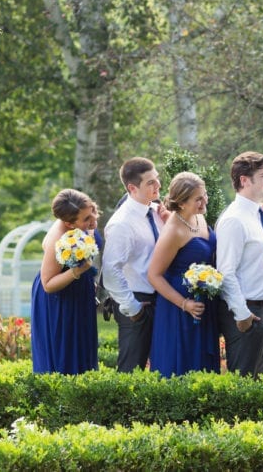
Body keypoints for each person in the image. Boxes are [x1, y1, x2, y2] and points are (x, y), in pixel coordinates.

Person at [215, 151, 263, 376]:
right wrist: (241, 314)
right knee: (243, 385)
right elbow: (226, 271)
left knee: (258, 385)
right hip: (248, 312)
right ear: (244, 180)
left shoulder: (259, 215)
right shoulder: (234, 220)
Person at [147, 171, 221, 377]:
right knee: (181, 365)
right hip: (178, 310)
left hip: (203, 303)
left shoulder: (199, 216)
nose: (204, 201)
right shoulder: (173, 231)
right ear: (181, 203)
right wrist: (184, 304)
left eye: (204, 194)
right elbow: (154, 275)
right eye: (198, 199)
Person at [102, 157, 167, 372]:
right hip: (138, 302)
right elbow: (111, 270)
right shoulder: (122, 223)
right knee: (131, 370)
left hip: (161, 300)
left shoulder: (157, 212)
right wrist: (133, 308)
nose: (158, 185)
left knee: (161, 369)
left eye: (157, 179)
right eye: (150, 183)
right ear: (132, 188)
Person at [30, 189, 100, 375]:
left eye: (92, 210)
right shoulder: (58, 238)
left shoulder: (78, 214)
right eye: (86, 219)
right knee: (66, 357)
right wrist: (78, 271)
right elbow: (48, 284)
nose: (92, 219)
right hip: (61, 301)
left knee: (83, 353)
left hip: (79, 292)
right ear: (69, 224)